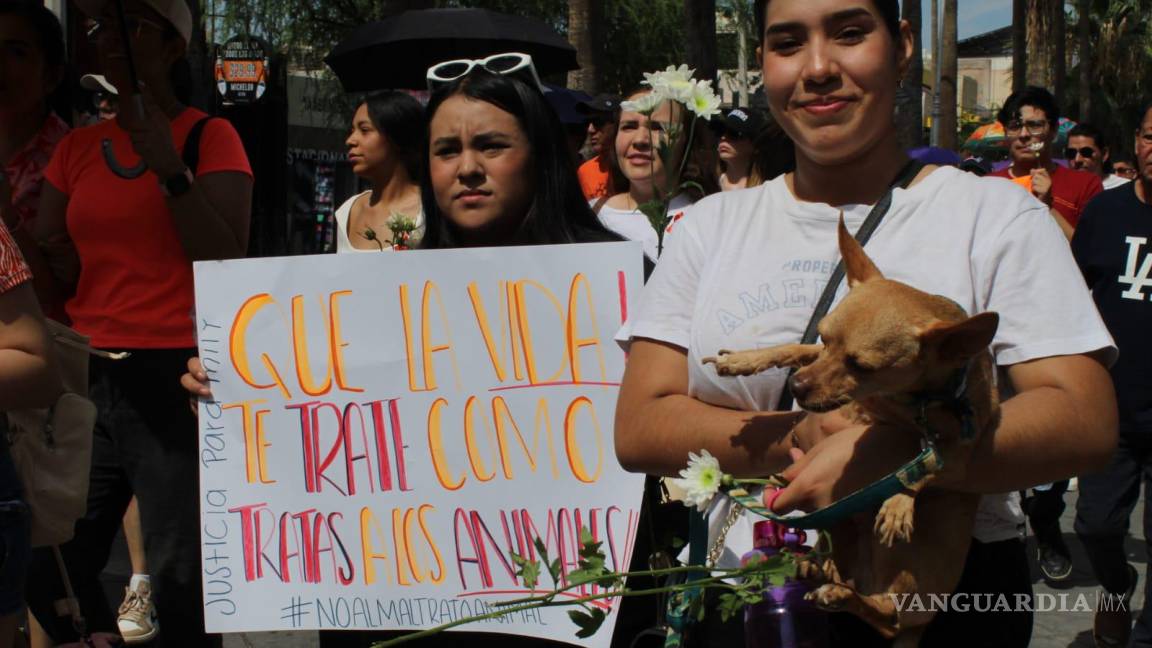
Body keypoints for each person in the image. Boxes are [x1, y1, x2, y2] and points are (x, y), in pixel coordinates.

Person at [613, 2, 1116, 647]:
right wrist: (802, 434)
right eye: (788, 42)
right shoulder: (710, 227)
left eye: (850, 34)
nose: (819, 67)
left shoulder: (994, 217)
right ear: (763, 62)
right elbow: (639, 427)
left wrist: (897, 454)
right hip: (745, 585)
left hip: (938, 587)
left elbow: (1085, 420)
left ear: (902, 45)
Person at [185, 57, 665, 648]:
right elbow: (327, 438)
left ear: (539, 153)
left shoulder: (623, 283)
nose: (467, 169)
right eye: (446, 150)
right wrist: (233, 400)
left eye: (491, 146)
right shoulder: (383, 294)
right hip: (408, 612)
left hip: (561, 609)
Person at [23, 0, 252, 645]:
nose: (107, 42)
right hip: (85, 371)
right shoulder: (76, 146)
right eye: (96, 30)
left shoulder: (211, 136)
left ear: (175, 47)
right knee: (50, 558)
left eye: (131, 29)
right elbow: (54, 263)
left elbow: (227, 258)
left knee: (181, 575)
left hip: (174, 371)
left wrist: (170, 171)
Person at [1071, 104, 1152, 648]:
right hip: (1112, 410)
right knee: (1095, 525)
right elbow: (1069, 299)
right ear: (1138, 143)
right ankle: (1118, 587)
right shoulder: (1105, 214)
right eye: (1150, 136)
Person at [0, 0, 69, 317]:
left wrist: (8, 219)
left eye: (16, 52)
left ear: (52, 75)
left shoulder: (72, 159)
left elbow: (55, 291)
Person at [596, 86, 718, 261]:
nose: (640, 140)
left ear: (687, 141)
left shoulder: (711, 219)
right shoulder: (591, 215)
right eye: (629, 126)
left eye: (657, 127)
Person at [989, 87, 1103, 238]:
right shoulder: (988, 186)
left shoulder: (1085, 185)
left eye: (1034, 125)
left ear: (1054, 130)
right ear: (1005, 131)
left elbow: (1089, 252)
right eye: (1015, 126)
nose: (1024, 135)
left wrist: (1048, 206)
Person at [335, 91, 425, 252]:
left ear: (396, 136)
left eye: (364, 130)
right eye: (352, 131)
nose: (350, 141)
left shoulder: (429, 210)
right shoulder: (347, 212)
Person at [575, 93, 620, 200]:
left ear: (618, 124)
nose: (590, 129)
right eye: (587, 123)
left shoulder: (635, 169)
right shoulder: (584, 171)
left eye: (598, 122)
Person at [714, 107, 766, 190]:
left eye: (733, 133)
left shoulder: (766, 189)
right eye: (720, 131)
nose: (723, 137)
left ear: (755, 145)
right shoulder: (708, 184)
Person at [1067, 123, 1132, 190]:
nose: (1077, 159)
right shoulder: (1059, 187)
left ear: (1104, 154)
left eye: (1086, 152)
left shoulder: (1124, 188)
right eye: (1071, 153)